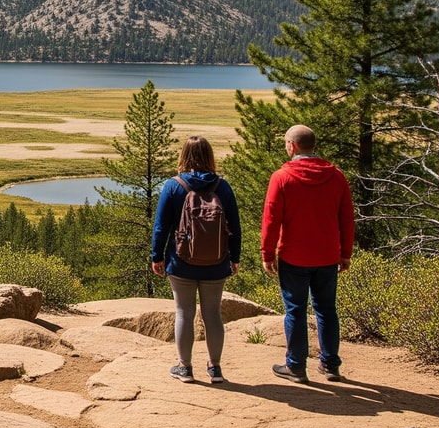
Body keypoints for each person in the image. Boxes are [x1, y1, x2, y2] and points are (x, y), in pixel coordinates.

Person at [261, 124, 355, 384]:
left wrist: (267, 253)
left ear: (292, 146)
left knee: (296, 311)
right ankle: (330, 365)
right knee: (326, 309)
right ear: (312, 146)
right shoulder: (335, 176)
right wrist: (345, 252)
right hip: (327, 256)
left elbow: (271, 219)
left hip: (293, 256)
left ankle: (296, 366)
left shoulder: (282, 177)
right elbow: (347, 219)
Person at [151, 136, 241, 384]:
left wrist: (156, 256)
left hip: (181, 262)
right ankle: (215, 368)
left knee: (183, 313)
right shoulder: (222, 187)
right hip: (217, 262)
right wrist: (235, 257)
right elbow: (235, 225)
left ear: (183, 156)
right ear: (210, 156)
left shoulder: (174, 186)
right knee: (212, 314)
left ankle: (185, 367)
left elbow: (161, 227)